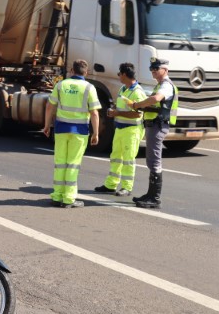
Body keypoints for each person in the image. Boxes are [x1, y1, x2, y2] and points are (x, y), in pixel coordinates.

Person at [43, 59, 101, 208]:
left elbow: (50, 106)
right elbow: (94, 113)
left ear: (71, 71)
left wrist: (46, 125)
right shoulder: (89, 87)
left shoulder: (61, 85)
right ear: (86, 72)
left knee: (60, 163)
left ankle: (57, 196)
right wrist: (96, 133)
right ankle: (69, 199)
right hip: (80, 131)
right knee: (73, 164)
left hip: (61, 129)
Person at [126, 58, 178, 209]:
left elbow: (156, 99)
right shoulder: (160, 85)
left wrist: (137, 105)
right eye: (151, 68)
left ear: (165, 70)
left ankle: (154, 198)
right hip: (153, 125)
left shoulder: (166, 86)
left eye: (156, 68)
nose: (153, 71)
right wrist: (143, 107)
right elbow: (156, 105)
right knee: (151, 160)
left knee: (154, 161)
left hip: (158, 125)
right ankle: (150, 194)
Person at [95, 63, 147, 196]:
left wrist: (117, 114)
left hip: (132, 130)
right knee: (116, 157)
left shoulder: (137, 92)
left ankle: (127, 187)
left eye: (119, 74)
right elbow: (122, 109)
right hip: (120, 128)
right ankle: (111, 185)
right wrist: (114, 112)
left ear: (124, 74)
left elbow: (138, 113)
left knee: (128, 160)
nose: (118, 76)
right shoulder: (123, 89)